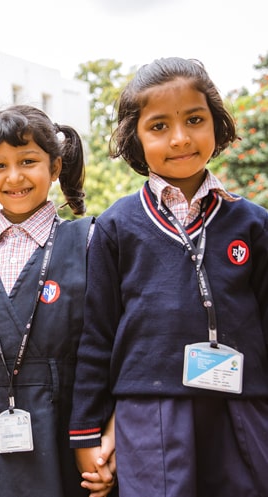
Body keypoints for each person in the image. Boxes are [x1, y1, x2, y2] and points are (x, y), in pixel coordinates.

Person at [70, 57, 268, 497]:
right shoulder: (116, 225)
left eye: (195, 120)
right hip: (148, 410)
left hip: (244, 403)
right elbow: (97, 334)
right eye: (158, 126)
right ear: (135, 139)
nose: (180, 138)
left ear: (216, 124)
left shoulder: (253, 223)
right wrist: (87, 431)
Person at [0, 104, 117, 497]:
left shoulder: (90, 239)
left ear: (55, 167)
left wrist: (107, 440)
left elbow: (113, 350)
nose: (14, 177)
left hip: (76, 432)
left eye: (28, 161)